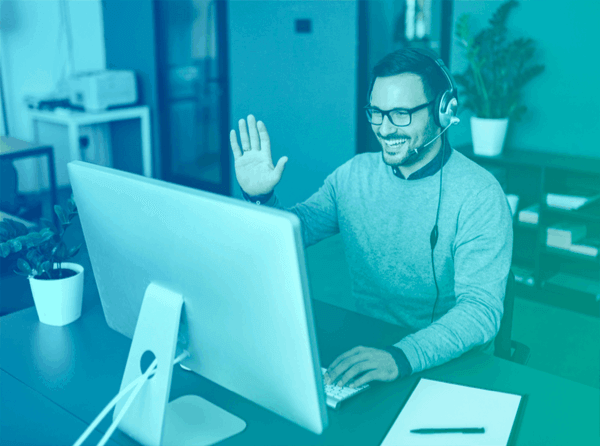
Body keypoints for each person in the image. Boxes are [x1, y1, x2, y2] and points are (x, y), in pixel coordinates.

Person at [229, 48, 513, 389]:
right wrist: (260, 198)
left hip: (451, 362)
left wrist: (401, 356)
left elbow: (480, 311)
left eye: (401, 114)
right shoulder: (353, 175)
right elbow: (293, 232)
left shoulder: (480, 194)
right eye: (376, 113)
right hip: (371, 347)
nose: (385, 128)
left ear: (442, 112)